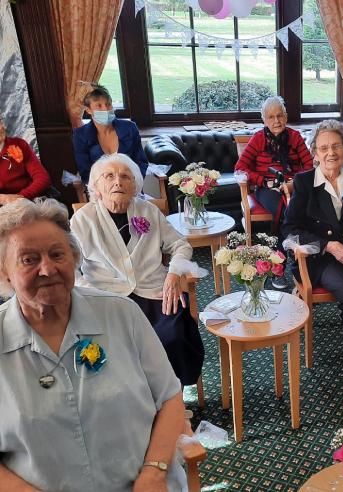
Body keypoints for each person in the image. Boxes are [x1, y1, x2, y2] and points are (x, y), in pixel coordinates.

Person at [0, 198, 186, 492]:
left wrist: (154, 472)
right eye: (29, 259)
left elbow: (170, 398)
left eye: (58, 254)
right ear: (4, 272)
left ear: (74, 259)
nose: (48, 269)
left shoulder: (122, 313)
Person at [70, 153, 204, 386]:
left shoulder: (148, 211)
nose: (117, 181)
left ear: (135, 187)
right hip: (106, 301)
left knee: (171, 338)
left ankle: (173, 397)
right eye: (109, 176)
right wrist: (91, 293)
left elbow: (180, 244)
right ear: (97, 187)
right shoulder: (82, 219)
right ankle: (131, 404)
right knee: (115, 346)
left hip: (155, 294)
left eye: (125, 176)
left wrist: (173, 273)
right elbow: (70, 270)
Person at [281, 120, 343, 401]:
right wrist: (328, 245)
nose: (330, 153)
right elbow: (289, 232)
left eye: (336, 146)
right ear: (314, 152)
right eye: (324, 147)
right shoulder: (304, 183)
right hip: (321, 260)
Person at [235, 96, 314, 289]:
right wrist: (265, 181)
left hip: (293, 187)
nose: (276, 121)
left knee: (304, 210)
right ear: (264, 120)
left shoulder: (295, 137)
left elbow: (310, 166)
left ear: (286, 117)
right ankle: (281, 268)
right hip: (266, 189)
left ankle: (301, 264)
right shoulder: (258, 139)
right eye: (271, 117)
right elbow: (241, 167)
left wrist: (294, 182)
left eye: (279, 116)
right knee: (285, 212)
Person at [73, 84, 149, 185]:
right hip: (99, 192)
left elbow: (141, 162)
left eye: (108, 104)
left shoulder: (130, 128)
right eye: (99, 106)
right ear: (88, 110)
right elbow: (86, 172)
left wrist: (133, 184)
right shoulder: (81, 135)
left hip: (131, 188)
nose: (106, 109)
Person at [0, 112, 52, 203]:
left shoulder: (19, 145)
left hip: (23, 204)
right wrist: (3, 199)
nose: (1, 128)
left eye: (0, 122)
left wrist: (21, 197)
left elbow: (43, 178)